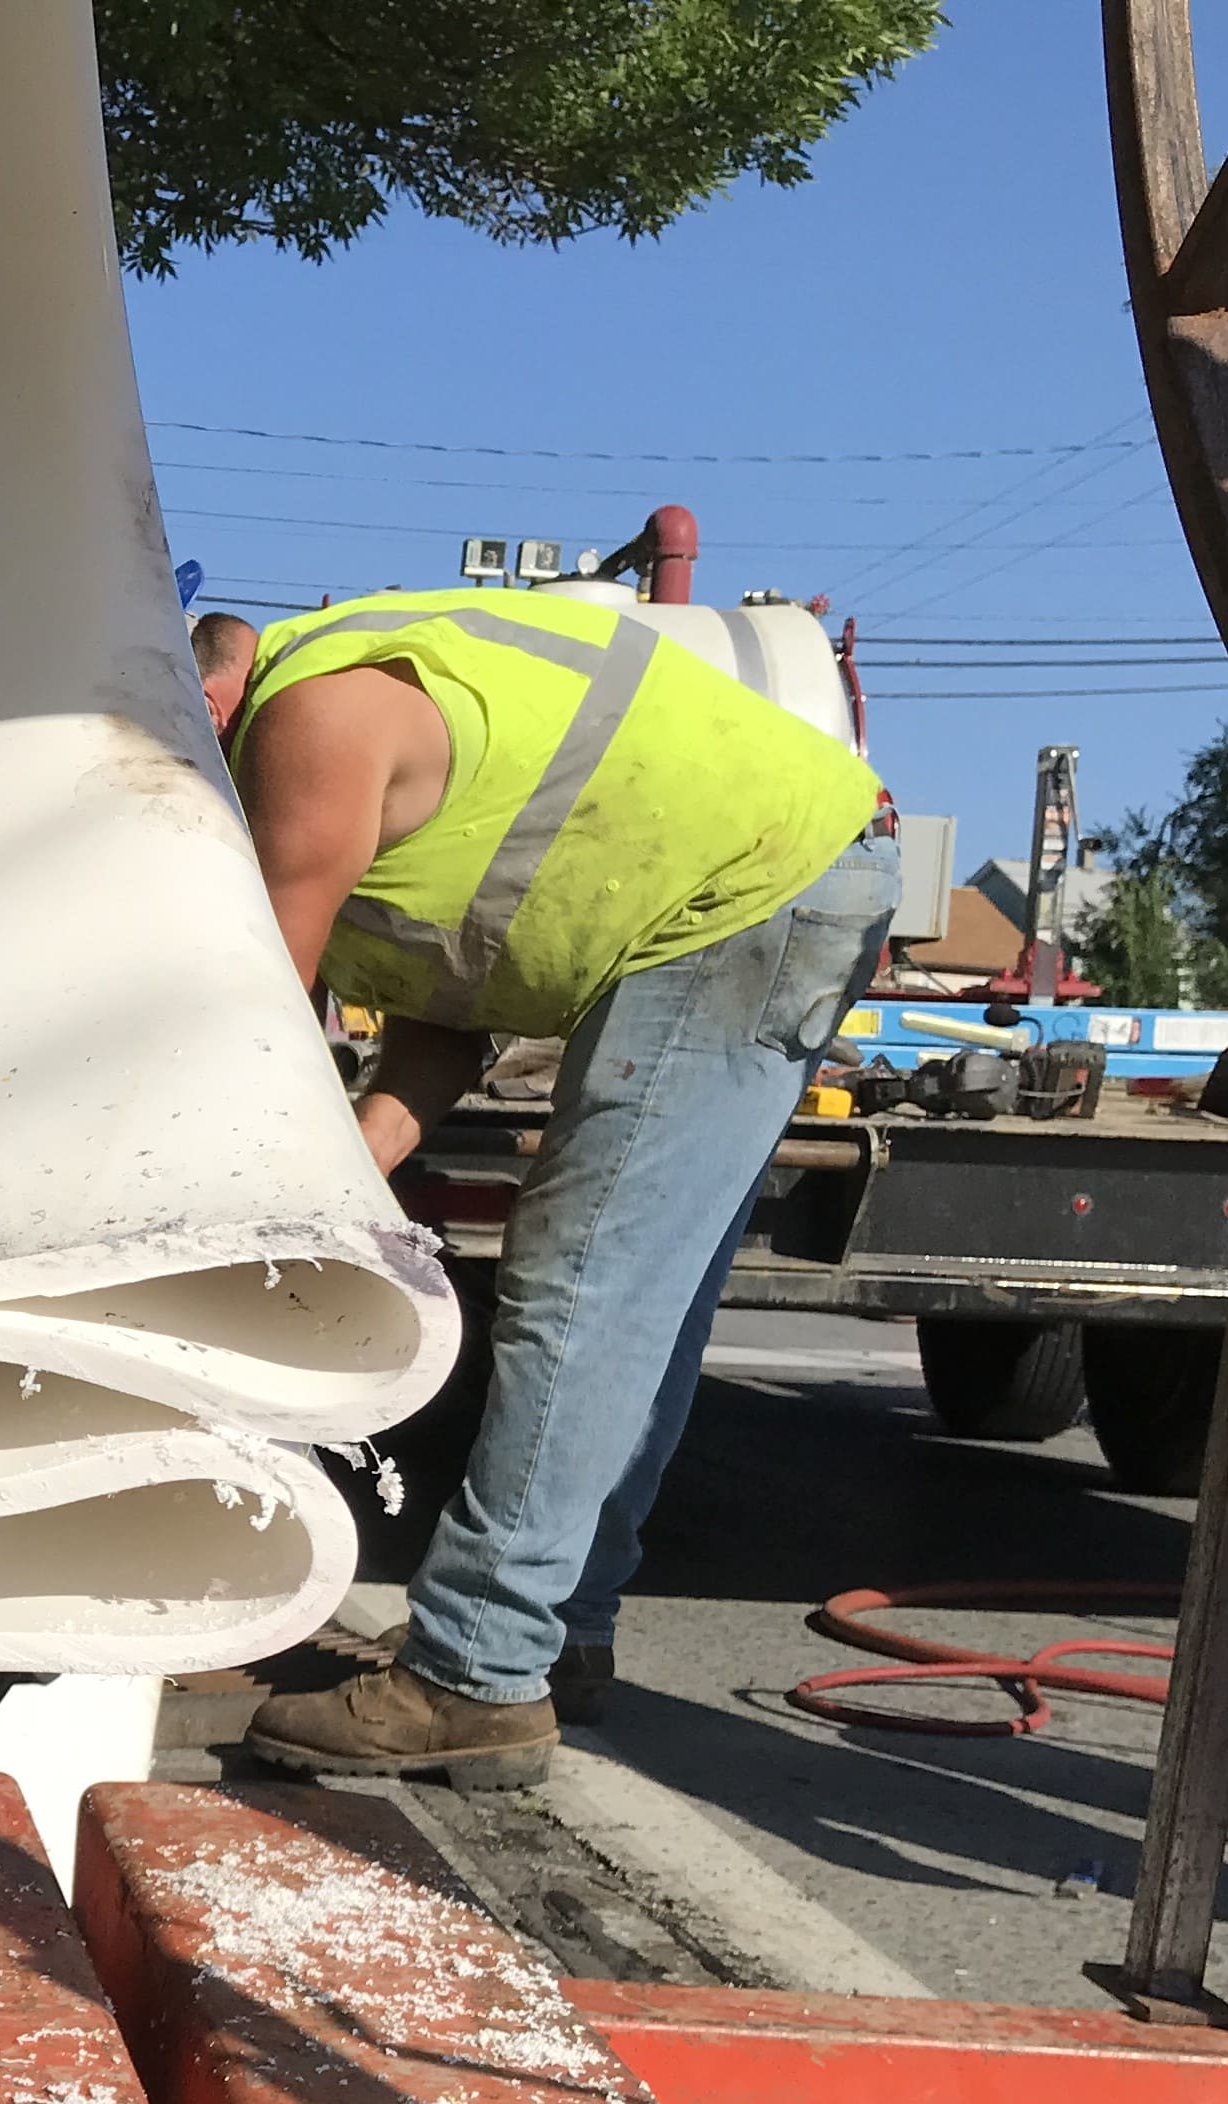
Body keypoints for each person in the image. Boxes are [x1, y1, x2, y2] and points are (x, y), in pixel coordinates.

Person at [200, 588, 900, 1785]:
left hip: (745, 892)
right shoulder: (361, 715)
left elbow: (249, 1027)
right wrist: (340, 1177)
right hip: (790, 871)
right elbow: (441, 1024)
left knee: (586, 1283)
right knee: (641, 1296)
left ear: (201, 703)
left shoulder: (304, 726)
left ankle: (475, 1672)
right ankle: (552, 1630)